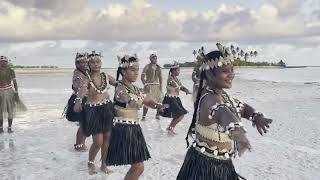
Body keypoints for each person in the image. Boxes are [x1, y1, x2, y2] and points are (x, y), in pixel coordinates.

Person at [177, 43, 273, 180]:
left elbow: (242, 107)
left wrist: (255, 116)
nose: (231, 75)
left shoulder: (223, 96)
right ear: (210, 74)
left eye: (232, 70)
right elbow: (223, 113)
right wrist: (239, 135)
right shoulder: (208, 98)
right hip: (204, 166)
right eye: (225, 71)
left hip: (222, 163)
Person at [106, 54, 166, 180]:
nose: (136, 73)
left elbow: (147, 100)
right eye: (132, 70)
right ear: (123, 71)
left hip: (134, 129)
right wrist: (133, 101)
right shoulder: (120, 88)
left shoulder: (134, 88)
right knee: (138, 167)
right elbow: (126, 98)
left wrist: (157, 105)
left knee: (138, 167)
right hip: (124, 130)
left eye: (137, 70)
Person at [75, 51, 117, 175]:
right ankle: (91, 162)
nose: (96, 64)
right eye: (92, 62)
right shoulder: (86, 78)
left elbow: (118, 84)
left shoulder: (105, 75)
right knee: (98, 141)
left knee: (107, 138)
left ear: (101, 63)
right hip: (93, 110)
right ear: (88, 64)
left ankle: (104, 164)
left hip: (107, 108)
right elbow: (82, 90)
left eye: (98, 61)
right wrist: (78, 100)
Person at [64, 52, 89, 151]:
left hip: (84, 100)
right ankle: (79, 145)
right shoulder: (78, 74)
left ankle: (80, 144)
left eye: (86, 62)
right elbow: (81, 88)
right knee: (84, 123)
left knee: (85, 123)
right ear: (77, 64)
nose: (85, 64)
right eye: (82, 62)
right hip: (80, 100)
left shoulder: (85, 72)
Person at [159, 61, 191, 135]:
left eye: (179, 70)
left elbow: (181, 86)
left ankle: (170, 128)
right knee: (180, 115)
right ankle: (170, 128)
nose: (179, 71)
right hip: (170, 99)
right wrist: (185, 89)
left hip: (175, 99)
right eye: (178, 70)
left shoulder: (176, 78)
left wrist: (187, 90)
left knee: (178, 115)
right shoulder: (170, 79)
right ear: (173, 71)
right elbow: (178, 86)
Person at [141, 53, 163, 120]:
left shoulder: (159, 67)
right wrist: (145, 84)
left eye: (156, 58)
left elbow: (160, 77)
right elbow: (142, 77)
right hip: (149, 86)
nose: (155, 59)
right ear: (150, 59)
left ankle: (157, 115)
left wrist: (161, 86)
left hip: (157, 86)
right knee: (147, 102)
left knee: (159, 101)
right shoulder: (147, 66)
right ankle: (144, 116)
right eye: (153, 58)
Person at [0, 56, 19, 133]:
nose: (3, 62)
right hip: (0, 91)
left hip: (10, 91)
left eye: (5, 61)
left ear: (7, 62)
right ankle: (0, 128)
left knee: (10, 110)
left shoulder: (11, 70)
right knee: (0, 110)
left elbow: (14, 82)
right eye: (1, 61)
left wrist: (16, 92)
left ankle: (9, 128)